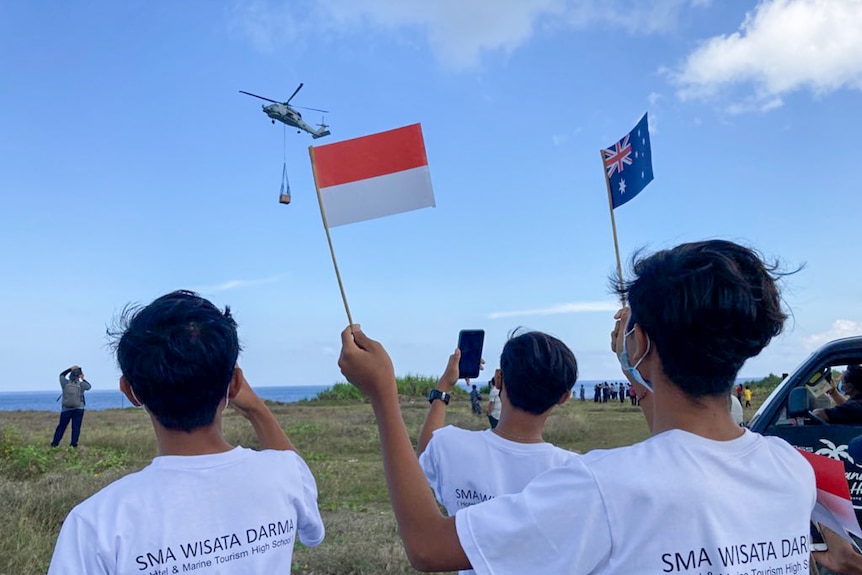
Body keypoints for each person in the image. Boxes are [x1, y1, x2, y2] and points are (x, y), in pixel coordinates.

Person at [337, 239, 815, 574]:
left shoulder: (603, 487)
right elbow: (681, 451)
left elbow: (426, 546)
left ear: (641, 342)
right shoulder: (791, 470)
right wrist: (636, 360)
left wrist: (382, 394)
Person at [48, 290, 324, 574]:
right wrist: (256, 409)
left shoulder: (96, 522)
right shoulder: (286, 472)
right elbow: (311, 533)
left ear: (130, 391)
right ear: (235, 384)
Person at [416, 331, 578, 575]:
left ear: (499, 379)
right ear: (564, 397)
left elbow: (425, 452)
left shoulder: (452, 446)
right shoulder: (575, 472)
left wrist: (444, 386)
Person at [51, 365, 91, 448]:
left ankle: (55, 444)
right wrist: (83, 378)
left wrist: (70, 369)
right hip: (79, 408)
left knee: (61, 427)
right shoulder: (82, 385)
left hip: (66, 408)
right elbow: (89, 386)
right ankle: (73, 445)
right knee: (76, 427)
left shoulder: (64, 383)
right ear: (78, 376)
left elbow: (61, 375)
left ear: (70, 375)